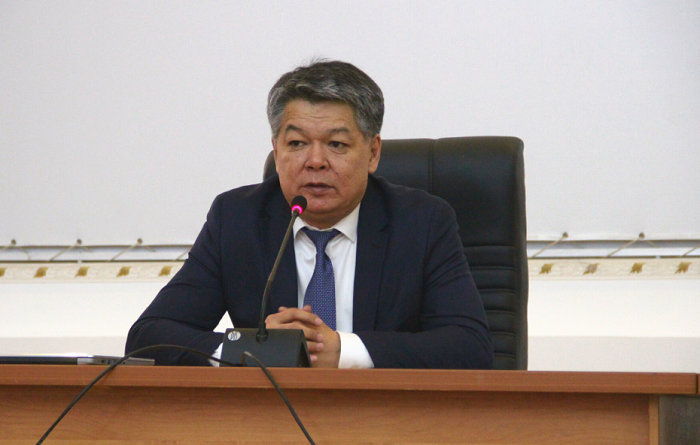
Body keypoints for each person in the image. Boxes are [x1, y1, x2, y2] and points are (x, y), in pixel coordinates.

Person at [125, 60, 493, 369]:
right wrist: (253, 349)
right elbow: (148, 337)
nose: (315, 161)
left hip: (384, 416)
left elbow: (470, 346)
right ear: (276, 150)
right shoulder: (237, 219)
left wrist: (344, 352)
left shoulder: (423, 222)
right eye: (297, 143)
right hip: (271, 418)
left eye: (336, 144)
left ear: (373, 153)